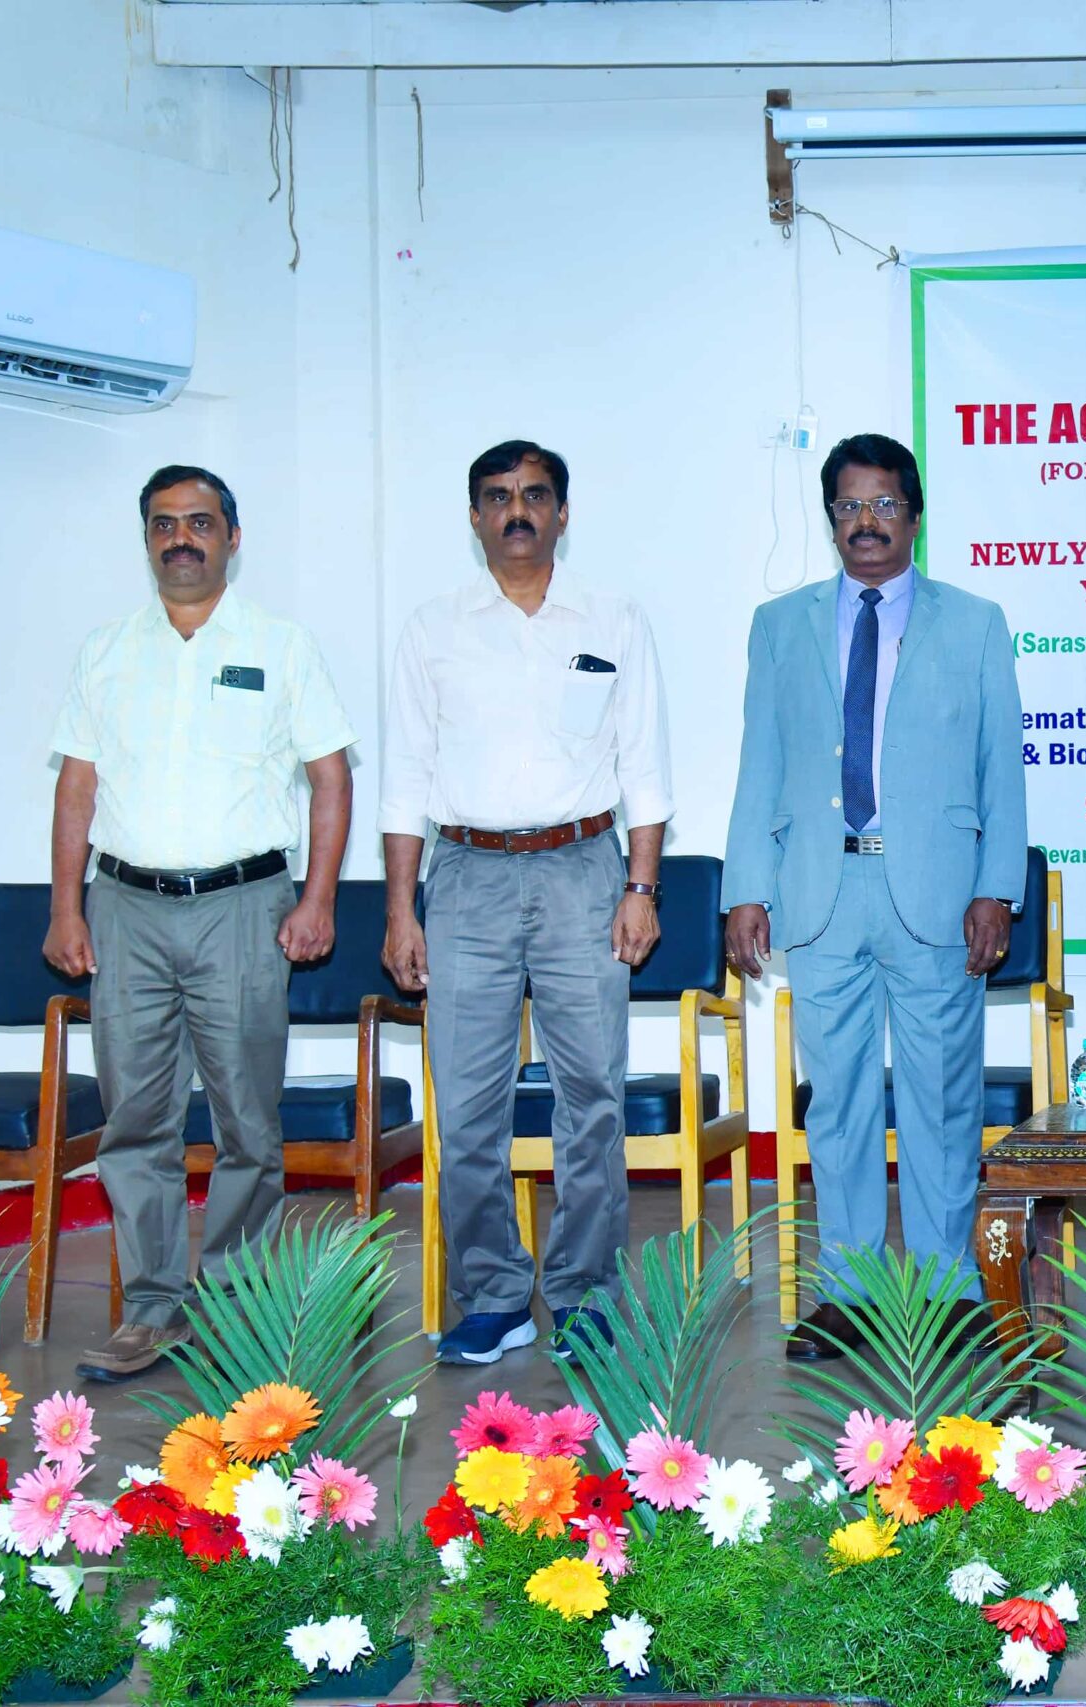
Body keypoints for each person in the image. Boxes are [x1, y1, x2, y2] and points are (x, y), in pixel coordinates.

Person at [45, 466, 355, 1382]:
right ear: (147, 538)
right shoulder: (105, 651)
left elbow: (331, 778)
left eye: (200, 522)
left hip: (243, 907)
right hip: (126, 909)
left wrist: (317, 898)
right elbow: (77, 789)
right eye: (164, 524)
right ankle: (151, 1309)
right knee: (134, 1120)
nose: (181, 538)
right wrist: (65, 906)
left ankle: (230, 1309)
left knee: (246, 1121)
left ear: (232, 536)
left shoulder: (282, 645)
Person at [722, 433, 1026, 1363]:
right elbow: (760, 761)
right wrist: (745, 886)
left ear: (915, 516)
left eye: (885, 504)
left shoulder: (974, 623)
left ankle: (947, 1291)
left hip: (936, 893)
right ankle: (848, 1295)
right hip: (821, 891)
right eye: (850, 505)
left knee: (941, 1101)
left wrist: (997, 889)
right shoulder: (781, 625)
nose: (867, 521)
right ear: (831, 519)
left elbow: (1002, 769)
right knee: (839, 1104)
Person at [380, 440, 673, 1366]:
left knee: (592, 1097)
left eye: (535, 495)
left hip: (585, 871)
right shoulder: (433, 629)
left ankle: (585, 1292)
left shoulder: (614, 618)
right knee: (468, 1105)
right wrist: (401, 909)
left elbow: (646, 767)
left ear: (562, 513)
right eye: (499, 497)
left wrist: (640, 887)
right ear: (474, 516)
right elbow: (404, 780)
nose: (518, 511)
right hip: (465, 878)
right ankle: (494, 1296)